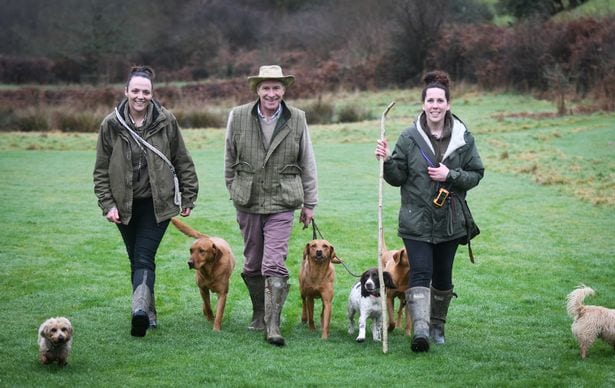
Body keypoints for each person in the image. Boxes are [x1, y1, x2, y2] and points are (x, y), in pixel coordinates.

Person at [375, 70, 484, 352]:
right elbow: (397, 176)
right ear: (423, 104)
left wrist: (451, 174)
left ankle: (437, 327)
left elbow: (476, 173)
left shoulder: (463, 137)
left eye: (440, 101)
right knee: (420, 272)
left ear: (448, 104)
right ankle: (420, 332)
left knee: (443, 276)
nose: (435, 105)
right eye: (430, 101)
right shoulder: (410, 137)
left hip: (450, 220)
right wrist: (387, 160)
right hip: (416, 219)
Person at [93, 65, 198, 337]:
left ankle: (138, 312)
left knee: (143, 256)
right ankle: (148, 312)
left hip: (157, 204)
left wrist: (189, 195)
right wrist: (108, 204)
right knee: (136, 258)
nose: (140, 96)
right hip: (124, 206)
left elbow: (182, 160)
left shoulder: (166, 120)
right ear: (126, 91)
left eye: (146, 91)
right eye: (135, 90)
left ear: (153, 94)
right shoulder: (111, 124)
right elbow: (101, 170)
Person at [224, 65, 318, 346]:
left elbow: (308, 162)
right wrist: (234, 188)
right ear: (257, 90)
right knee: (252, 262)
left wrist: (309, 203)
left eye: (276, 88)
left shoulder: (297, 118)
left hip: (282, 201)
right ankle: (258, 312)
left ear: (284, 90)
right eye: (266, 88)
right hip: (248, 201)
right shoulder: (238, 116)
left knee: (273, 262)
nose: (271, 93)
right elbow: (229, 157)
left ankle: (273, 325)